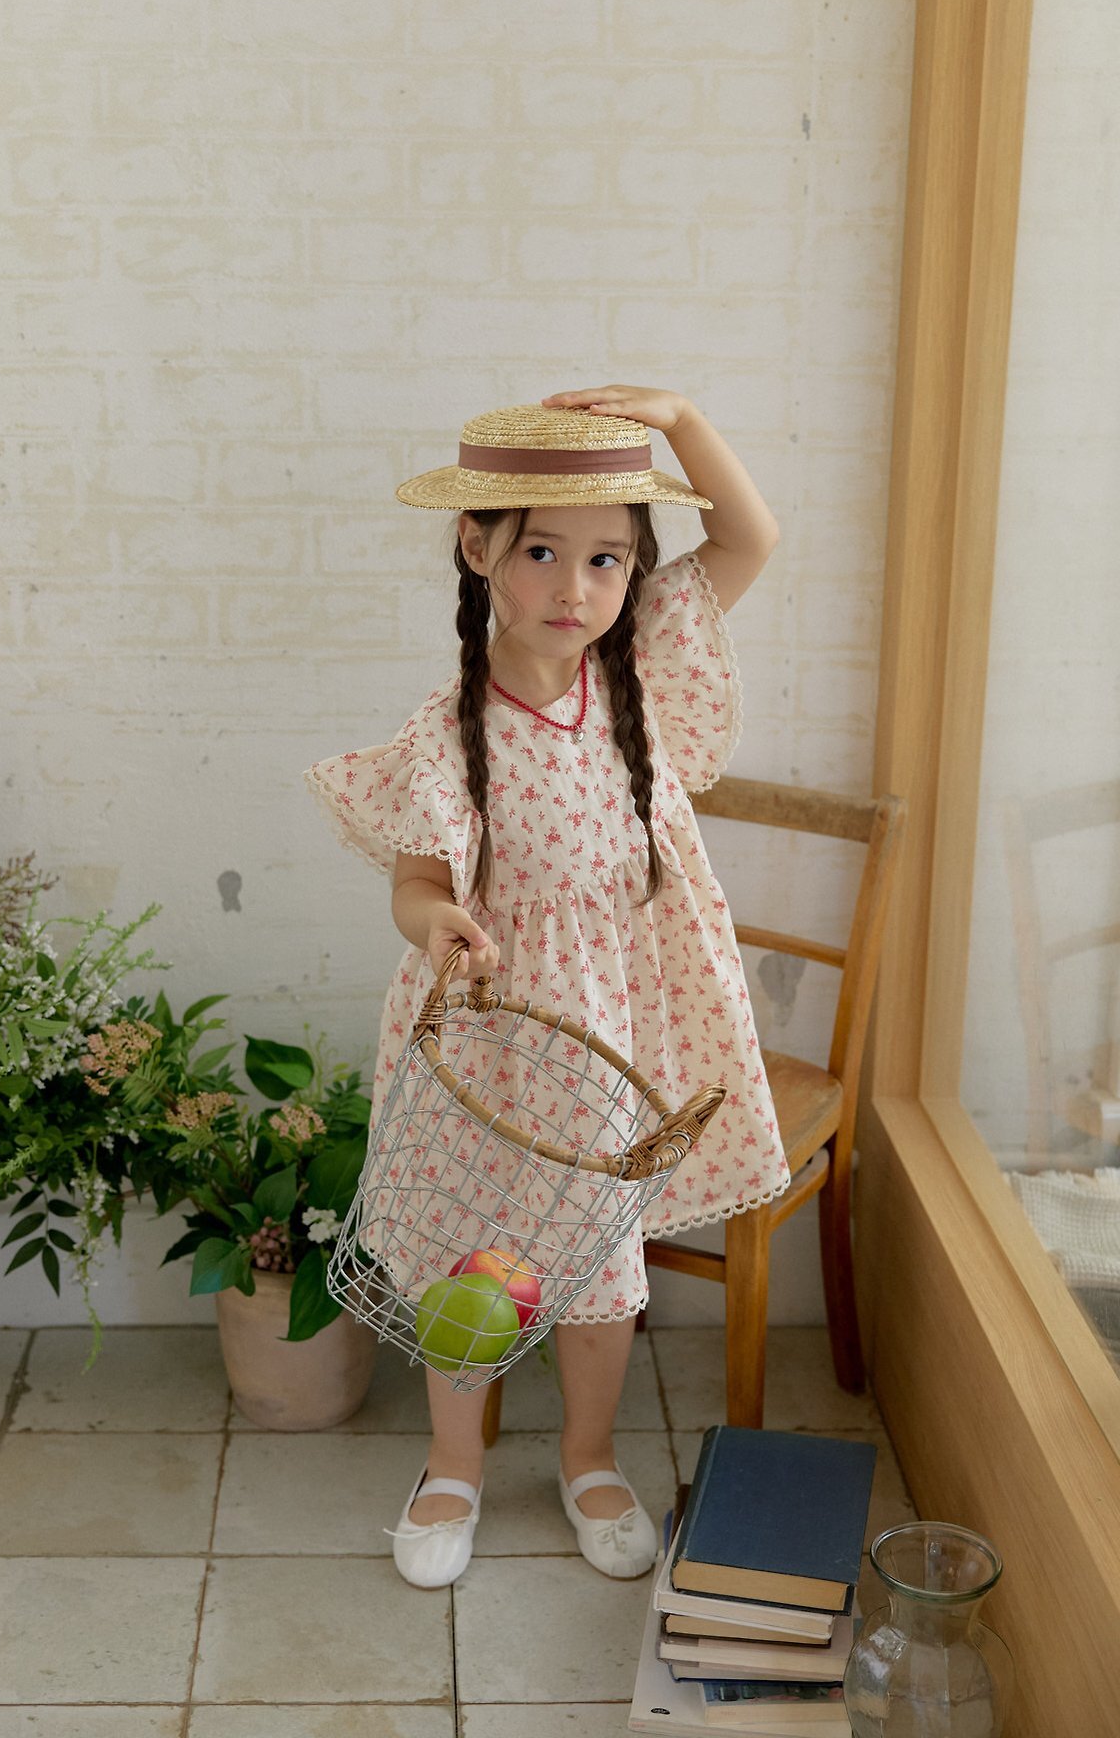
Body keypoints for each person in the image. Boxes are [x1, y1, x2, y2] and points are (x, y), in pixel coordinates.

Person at [305, 386, 791, 1588]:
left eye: (605, 558)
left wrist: (678, 417)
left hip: (609, 1033)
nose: (574, 586)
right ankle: (452, 1464)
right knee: (465, 1255)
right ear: (477, 549)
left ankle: (587, 1455)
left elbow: (749, 536)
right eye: (540, 552)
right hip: (483, 1031)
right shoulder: (448, 731)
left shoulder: (638, 675)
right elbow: (415, 887)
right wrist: (437, 925)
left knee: (592, 1263)